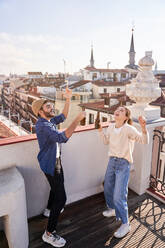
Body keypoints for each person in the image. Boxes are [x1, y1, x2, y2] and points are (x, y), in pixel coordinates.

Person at [32, 87, 85, 247]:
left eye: (50, 105)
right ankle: (49, 233)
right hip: (51, 164)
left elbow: (63, 116)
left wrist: (68, 98)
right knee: (61, 198)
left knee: (56, 188)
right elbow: (62, 138)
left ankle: (49, 209)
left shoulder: (48, 120)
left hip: (55, 161)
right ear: (40, 112)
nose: (51, 108)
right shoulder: (43, 126)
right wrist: (77, 120)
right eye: (48, 107)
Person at [98, 106, 149, 239]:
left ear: (126, 117)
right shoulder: (110, 127)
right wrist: (100, 131)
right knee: (108, 188)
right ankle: (113, 209)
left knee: (119, 195)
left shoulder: (129, 129)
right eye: (118, 109)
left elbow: (144, 141)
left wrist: (143, 128)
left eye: (122, 111)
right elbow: (105, 142)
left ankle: (126, 224)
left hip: (123, 164)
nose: (118, 111)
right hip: (112, 162)